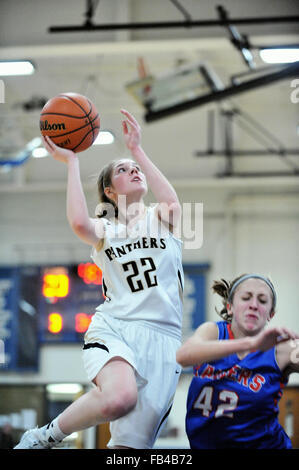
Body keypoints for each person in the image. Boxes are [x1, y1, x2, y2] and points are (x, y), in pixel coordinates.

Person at [15, 109, 184, 449]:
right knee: (118, 398)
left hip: (164, 338)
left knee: (130, 449)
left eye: (135, 169)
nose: (133, 171)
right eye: (123, 170)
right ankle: (43, 437)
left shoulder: (161, 218)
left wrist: (137, 150)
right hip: (117, 326)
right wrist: (72, 162)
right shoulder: (106, 229)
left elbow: (171, 200)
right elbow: (79, 223)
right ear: (108, 189)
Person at [176, 273, 299, 449]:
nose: (254, 305)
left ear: (271, 314)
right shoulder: (213, 333)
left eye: (262, 301)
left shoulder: (282, 349)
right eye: (246, 298)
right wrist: (251, 343)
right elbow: (183, 355)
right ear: (230, 307)